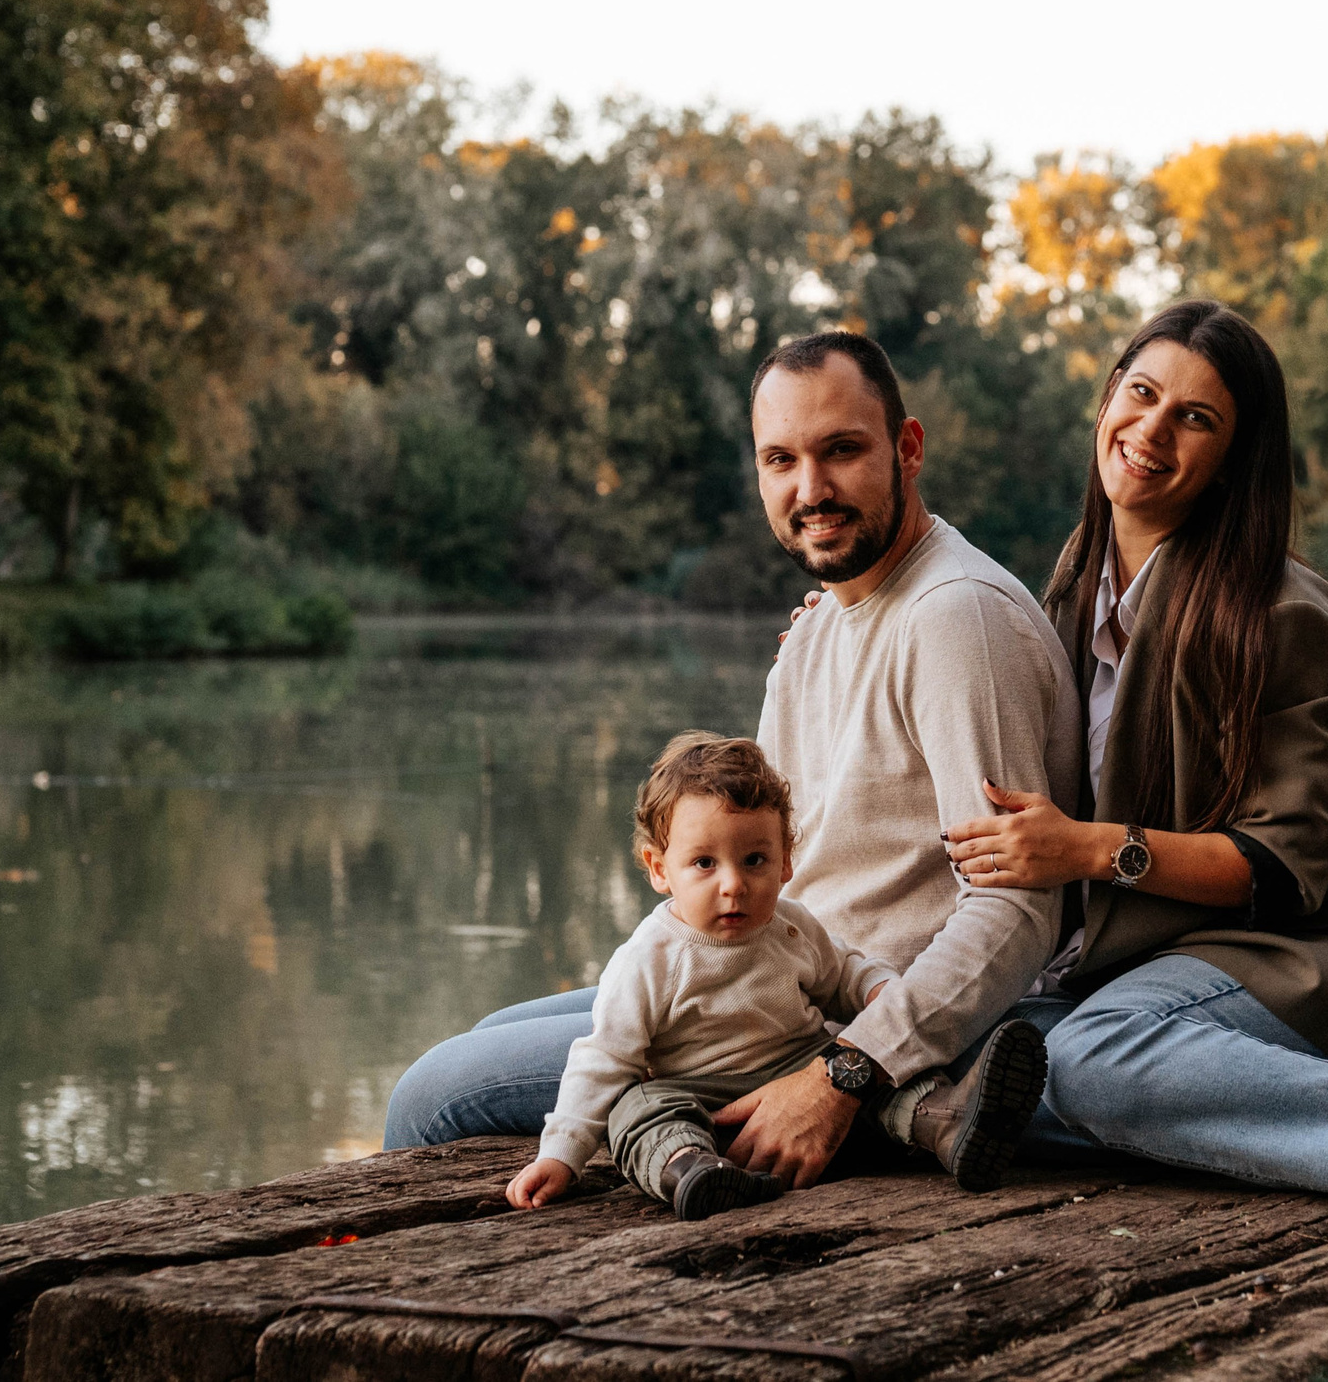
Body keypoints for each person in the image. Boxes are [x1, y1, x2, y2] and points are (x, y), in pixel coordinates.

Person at [388, 331, 1083, 1191]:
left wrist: (843, 1074)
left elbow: (1015, 910)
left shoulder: (954, 620)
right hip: (761, 967)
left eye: (842, 451)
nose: (810, 488)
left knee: (436, 1096)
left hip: (853, 1018)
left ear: (907, 450)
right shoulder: (823, 624)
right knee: (490, 1032)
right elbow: (767, 843)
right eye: (780, 459)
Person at [934, 299, 1328, 1218]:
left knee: (1087, 1062)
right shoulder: (1071, 585)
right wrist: (839, 628)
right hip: (1154, 970)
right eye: (1141, 394)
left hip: (1309, 957)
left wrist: (1090, 849)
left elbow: (1283, 866)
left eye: (1196, 418)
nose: (1152, 430)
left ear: (1231, 460)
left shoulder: (1279, 613)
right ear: (1104, 402)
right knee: (963, 1058)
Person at [511, 732, 957, 1221]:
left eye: (754, 860)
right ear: (660, 869)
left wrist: (878, 990)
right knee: (634, 1108)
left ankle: (948, 1124)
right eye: (704, 863)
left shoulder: (791, 926)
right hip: (700, 1099)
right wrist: (560, 1153)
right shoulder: (649, 958)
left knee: (880, 1068)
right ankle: (690, 1170)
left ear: (786, 860)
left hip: (802, 1078)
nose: (734, 885)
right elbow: (603, 1058)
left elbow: (842, 973)